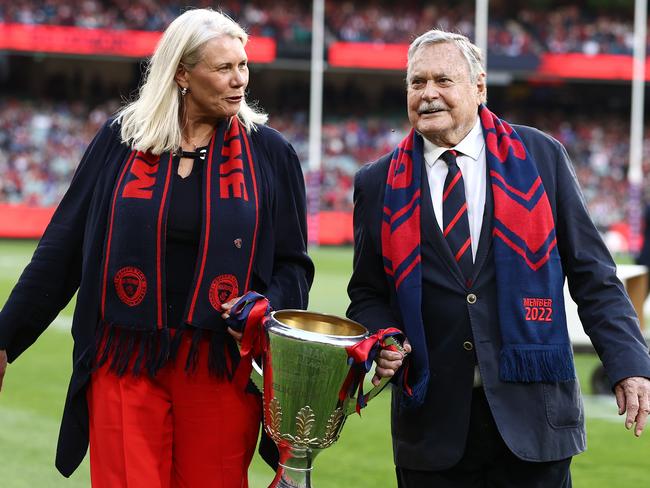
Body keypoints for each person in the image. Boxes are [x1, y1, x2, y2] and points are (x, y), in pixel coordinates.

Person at [0, 8, 313, 487]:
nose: (240, 80)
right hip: (125, 359)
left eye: (243, 66)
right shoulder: (121, 140)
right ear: (182, 73)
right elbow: (62, 248)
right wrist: (6, 338)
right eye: (224, 68)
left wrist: (267, 309)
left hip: (218, 369)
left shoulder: (270, 153)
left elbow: (293, 264)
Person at [347, 29, 650, 487]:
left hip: (534, 421)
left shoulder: (540, 157)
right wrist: (384, 337)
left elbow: (594, 275)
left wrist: (629, 365)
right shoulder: (377, 182)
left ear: (479, 87)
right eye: (416, 82)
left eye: (443, 80)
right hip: (432, 429)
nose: (428, 93)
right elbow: (367, 293)